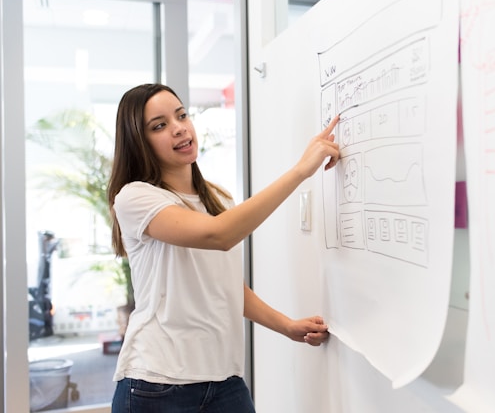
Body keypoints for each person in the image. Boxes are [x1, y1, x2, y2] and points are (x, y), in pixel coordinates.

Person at [107, 83, 340, 413]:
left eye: (181, 115)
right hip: (156, 384)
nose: (179, 129)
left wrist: (286, 326)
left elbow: (225, 287)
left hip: (225, 381)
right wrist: (302, 170)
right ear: (139, 142)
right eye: (159, 126)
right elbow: (219, 235)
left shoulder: (217, 201)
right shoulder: (135, 197)